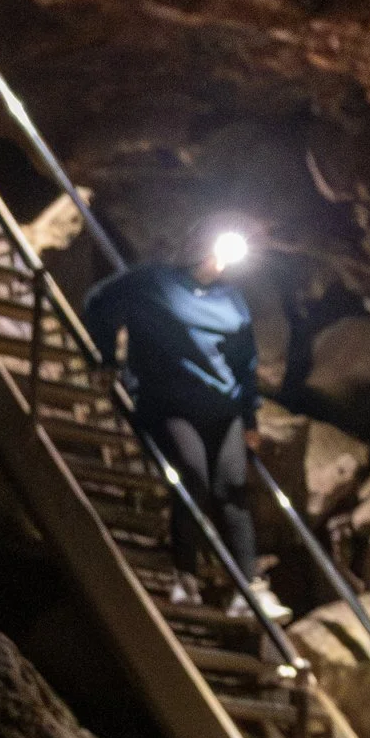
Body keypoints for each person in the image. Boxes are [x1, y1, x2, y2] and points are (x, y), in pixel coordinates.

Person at [83, 226, 284, 615]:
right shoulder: (153, 281)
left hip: (221, 408)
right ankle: (185, 577)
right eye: (216, 252)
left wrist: (249, 418)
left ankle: (250, 589)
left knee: (233, 489)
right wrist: (107, 358)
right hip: (167, 403)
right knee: (191, 476)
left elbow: (244, 362)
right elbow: (100, 302)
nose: (220, 262)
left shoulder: (232, 300)